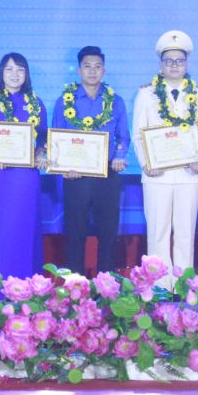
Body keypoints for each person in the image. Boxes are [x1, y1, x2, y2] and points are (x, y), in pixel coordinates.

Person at [130, 31, 198, 273]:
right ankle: (158, 287)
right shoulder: (146, 94)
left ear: (187, 64)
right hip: (157, 175)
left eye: (179, 61)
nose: (174, 66)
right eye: (168, 61)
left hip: (190, 175)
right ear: (160, 65)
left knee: (186, 234)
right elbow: (138, 134)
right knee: (158, 233)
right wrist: (146, 163)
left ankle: (184, 286)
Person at [56, 46, 129, 276]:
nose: (92, 71)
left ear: (104, 71)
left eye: (97, 67)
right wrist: (62, 166)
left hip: (107, 173)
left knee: (108, 233)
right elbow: (56, 136)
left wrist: (119, 156)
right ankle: (74, 285)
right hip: (75, 175)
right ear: (79, 70)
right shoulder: (65, 101)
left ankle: (106, 285)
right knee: (75, 232)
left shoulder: (116, 101)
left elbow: (123, 137)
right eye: (87, 66)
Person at [0, 52, 50, 278]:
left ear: (26, 74)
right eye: (9, 69)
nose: (14, 74)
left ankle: (27, 285)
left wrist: (41, 153)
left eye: (20, 69)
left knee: (24, 228)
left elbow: (44, 139)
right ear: (1, 73)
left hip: (26, 177)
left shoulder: (36, 103)